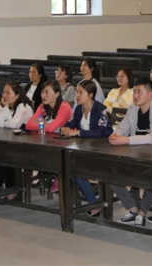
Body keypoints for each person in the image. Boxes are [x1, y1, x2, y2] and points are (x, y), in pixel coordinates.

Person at [109, 77, 152, 226]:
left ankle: (142, 213)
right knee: (109, 173)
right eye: (134, 92)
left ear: (150, 95)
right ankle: (132, 209)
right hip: (135, 155)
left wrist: (127, 140)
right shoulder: (133, 109)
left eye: (139, 92)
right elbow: (122, 128)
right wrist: (116, 135)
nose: (136, 95)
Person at [62, 80, 112, 214]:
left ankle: (94, 203)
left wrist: (78, 132)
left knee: (76, 169)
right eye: (77, 92)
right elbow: (72, 124)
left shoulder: (101, 110)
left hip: (103, 151)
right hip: (85, 149)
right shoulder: (79, 109)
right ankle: (92, 199)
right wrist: (65, 128)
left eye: (80, 93)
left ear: (90, 95)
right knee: (69, 165)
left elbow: (100, 132)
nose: (77, 96)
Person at [0, 82, 35, 197]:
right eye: (4, 92)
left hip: (26, 145)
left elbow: (13, 125)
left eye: (8, 93)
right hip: (11, 142)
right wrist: (5, 110)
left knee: (6, 154)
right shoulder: (9, 108)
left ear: (17, 95)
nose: (4, 95)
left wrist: (5, 119)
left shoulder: (23, 107)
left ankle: (10, 189)